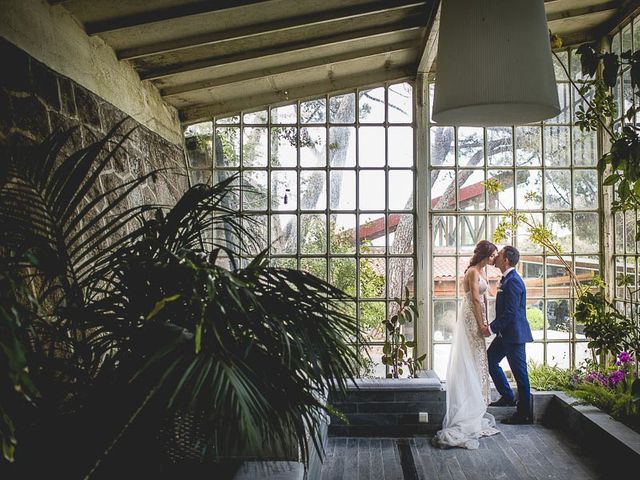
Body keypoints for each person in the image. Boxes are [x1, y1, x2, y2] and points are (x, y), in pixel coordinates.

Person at [432, 240, 500, 449]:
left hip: (479, 317)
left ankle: (475, 404)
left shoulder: (482, 271)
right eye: (492, 255)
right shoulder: (472, 272)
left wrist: (488, 320)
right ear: (485, 255)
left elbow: (486, 297)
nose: (494, 259)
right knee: (471, 358)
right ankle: (465, 409)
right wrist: (481, 324)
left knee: (478, 360)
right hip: (471, 317)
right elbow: (476, 301)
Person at [488, 246, 534, 424]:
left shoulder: (513, 281)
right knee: (490, 360)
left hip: (514, 336)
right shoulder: (506, 279)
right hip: (504, 334)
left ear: (506, 260)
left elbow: (511, 312)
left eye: (499, 255)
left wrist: (491, 328)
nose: (496, 258)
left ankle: (523, 414)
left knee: (520, 374)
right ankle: (507, 396)